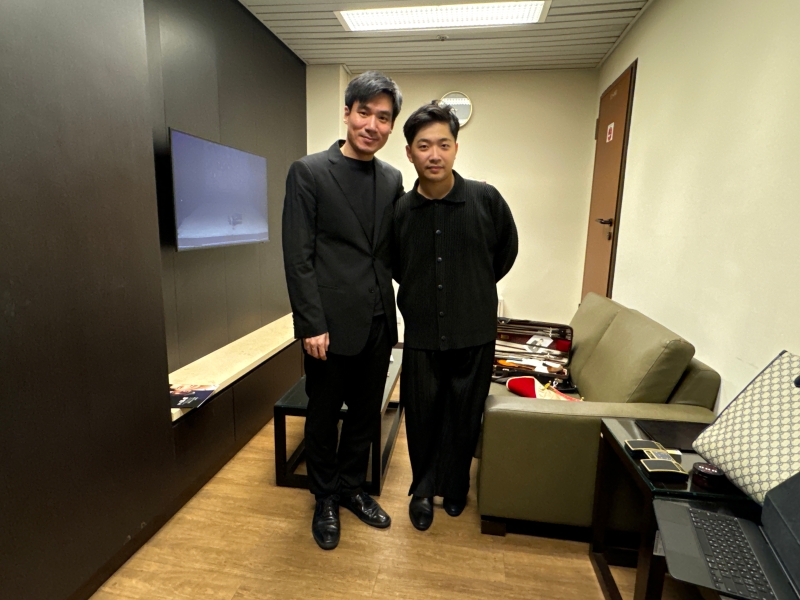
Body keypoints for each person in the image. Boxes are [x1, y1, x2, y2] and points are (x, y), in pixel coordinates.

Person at [282, 71, 404, 550]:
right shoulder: (309, 171)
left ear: (391, 125)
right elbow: (298, 257)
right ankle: (325, 497)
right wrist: (310, 323)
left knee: (365, 413)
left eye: (383, 117)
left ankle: (353, 487)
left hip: (379, 319)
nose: (372, 125)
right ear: (348, 112)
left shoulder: (392, 178)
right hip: (329, 325)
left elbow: (390, 249)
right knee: (323, 413)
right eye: (364, 113)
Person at [393, 102, 518, 531]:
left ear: (456, 148)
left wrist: (472, 289)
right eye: (424, 145)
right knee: (422, 414)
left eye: (443, 145)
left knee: (464, 414)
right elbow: (398, 264)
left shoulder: (486, 199)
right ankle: (423, 489)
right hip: (422, 332)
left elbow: (504, 253)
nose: (435, 154)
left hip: (474, 330)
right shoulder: (401, 211)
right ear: (409, 152)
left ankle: (455, 484)